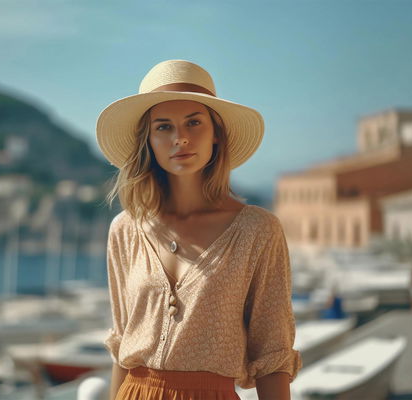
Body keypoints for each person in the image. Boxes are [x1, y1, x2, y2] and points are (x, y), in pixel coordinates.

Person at [96, 60, 301, 400]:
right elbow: (122, 344)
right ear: (148, 140)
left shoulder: (258, 230)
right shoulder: (125, 229)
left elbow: (272, 356)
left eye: (194, 122)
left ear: (216, 132)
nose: (181, 138)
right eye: (163, 127)